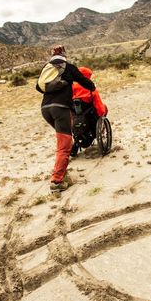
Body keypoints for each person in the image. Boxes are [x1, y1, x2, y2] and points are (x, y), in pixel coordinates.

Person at [37, 45, 95, 192]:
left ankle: (61, 172)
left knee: (64, 141)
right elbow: (85, 82)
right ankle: (57, 182)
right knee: (64, 146)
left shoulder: (47, 68)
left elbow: (38, 87)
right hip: (60, 109)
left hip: (45, 109)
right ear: (64, 55)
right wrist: (91, 86)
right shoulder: (68, 67)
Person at [71, 66, 108, 156]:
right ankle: (99, 130)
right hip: (90, 117)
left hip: (75, 117)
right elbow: (99, 107)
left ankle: (76, 141)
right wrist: (103, 114)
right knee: (104, 107)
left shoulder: (70, 88)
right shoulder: (90, 89)